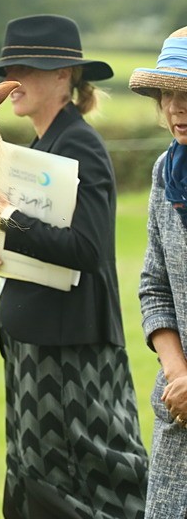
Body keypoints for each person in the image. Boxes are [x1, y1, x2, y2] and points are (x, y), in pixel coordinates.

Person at [0, 14, 147, 518]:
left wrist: (4, 214)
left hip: (73, 351)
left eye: (27, 68)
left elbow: (87, 250)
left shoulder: (78, 143)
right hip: (37, 342)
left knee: (96, 480)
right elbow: (45, 248)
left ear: (65, 77)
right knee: (37, 476)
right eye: (9, 68)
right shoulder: (42, 146)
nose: (12, 80)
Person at [130, 27, 187, 518]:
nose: (175, 108)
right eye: (167, 93)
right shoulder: (165, 172)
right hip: (179, 410)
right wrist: (177, 371)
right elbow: (154, 285)